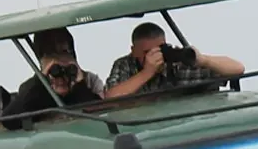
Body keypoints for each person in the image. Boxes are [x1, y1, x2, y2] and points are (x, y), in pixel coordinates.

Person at [104, 22, 245, 100]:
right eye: (148, 52)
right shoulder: (125, 65)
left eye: (160, 49)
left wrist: (203, 60)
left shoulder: (177, 61)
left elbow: (238, 68)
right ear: (134, 51)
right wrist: (147, 72)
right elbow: (111, 96)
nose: (156, 56)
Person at [1, 28, 106, 128]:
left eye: (64, 52)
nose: (58, 59)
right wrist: (42, 81)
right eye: (51, 53)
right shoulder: (32, 88)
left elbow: (103, 114)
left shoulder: (88, 80)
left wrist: (79, 85)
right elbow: (9, 121)